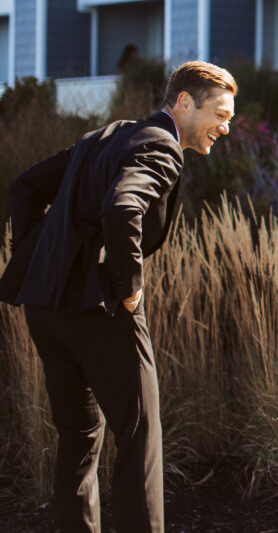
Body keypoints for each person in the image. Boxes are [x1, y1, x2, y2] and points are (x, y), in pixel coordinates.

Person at [0, 61, 236, 532]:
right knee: (139, 437)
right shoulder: (162, 146)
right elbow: (124, 206)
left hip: (46, 310)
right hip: (101, 311)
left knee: (78, 440)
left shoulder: (105, 136)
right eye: (221, 114)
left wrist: (43, 263)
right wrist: (129, 290)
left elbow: (23, 187)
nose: (225, 128)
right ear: (185, 103)